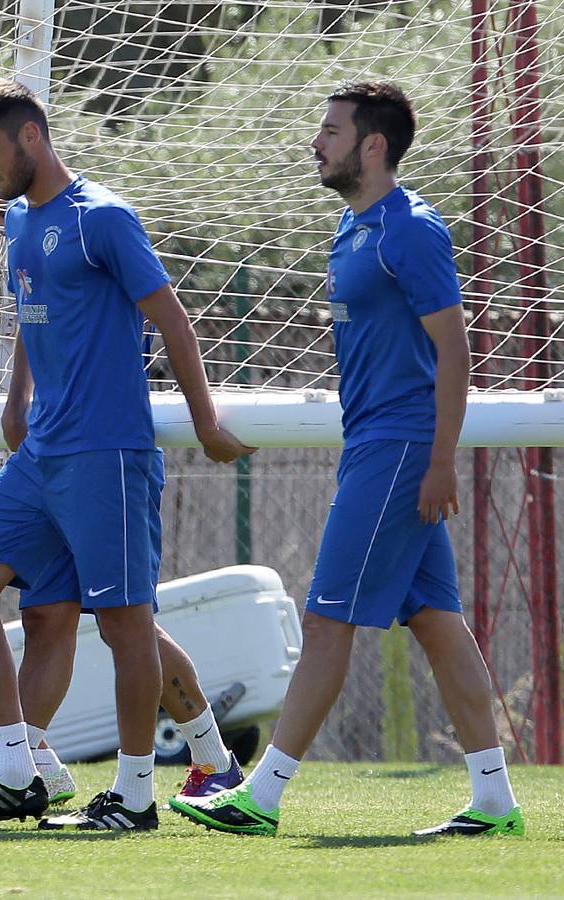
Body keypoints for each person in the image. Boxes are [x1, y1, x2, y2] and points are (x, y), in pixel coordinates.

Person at [175, 81, 523, 838]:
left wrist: (439, 461)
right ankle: (495, 800)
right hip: (375, 446)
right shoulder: (350, 226)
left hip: (400, 452)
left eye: (330, 130)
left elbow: (455, 351)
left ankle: (260, 796)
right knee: (437, 622)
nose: (316, 141)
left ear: (373, 145)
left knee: (326, 620)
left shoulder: (412, 230)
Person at [0, 79, 252, 832]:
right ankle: (15, 769)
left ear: (31, 138)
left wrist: (205, 420)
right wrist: (14, 401)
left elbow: (173, 321)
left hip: (107, 453)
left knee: (124, 627)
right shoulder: (15, 219)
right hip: (42, 454)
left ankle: (137, 794)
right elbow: (28, 310)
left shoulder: (102, 217)